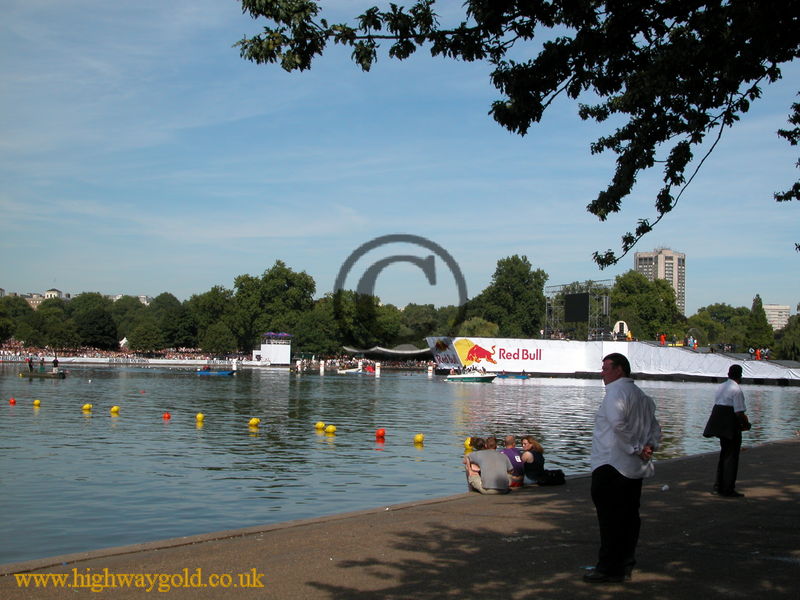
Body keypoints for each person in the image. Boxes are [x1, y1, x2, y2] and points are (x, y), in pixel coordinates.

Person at [584, 353, 661, 584]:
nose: (602, 373)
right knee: (629, 517)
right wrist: (649, 446)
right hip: (633, 468)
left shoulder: (615, 393)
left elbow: (618, 423)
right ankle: (626, 562)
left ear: (619, 370)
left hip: (611, 464)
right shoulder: (642, 397)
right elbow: (656, 428)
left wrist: (637, 447)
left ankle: (608, 567)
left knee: (609, 519)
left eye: (606, 368)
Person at [703, 364, 751, 498]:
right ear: (740, 376)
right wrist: (746, 425)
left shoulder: (721, 387)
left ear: (728, 374)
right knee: (731, 456)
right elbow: (739, 412)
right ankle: (728, 488)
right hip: (730, 423)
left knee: (724, 453)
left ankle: (718, 486)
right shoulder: (737, 390)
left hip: (718, 420)